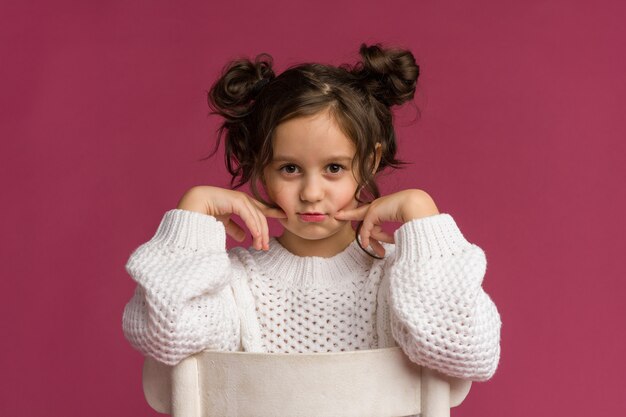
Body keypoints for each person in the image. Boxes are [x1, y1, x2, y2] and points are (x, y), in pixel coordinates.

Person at [122, 43, 501, 382]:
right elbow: (165, 336)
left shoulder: (404, 276)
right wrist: (192, 215)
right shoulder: (230, 284)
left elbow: (469, 353)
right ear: (259, 169)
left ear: (369, 162)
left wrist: (424, 220)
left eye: (334, 168)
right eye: (289, 168)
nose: (311, 193)